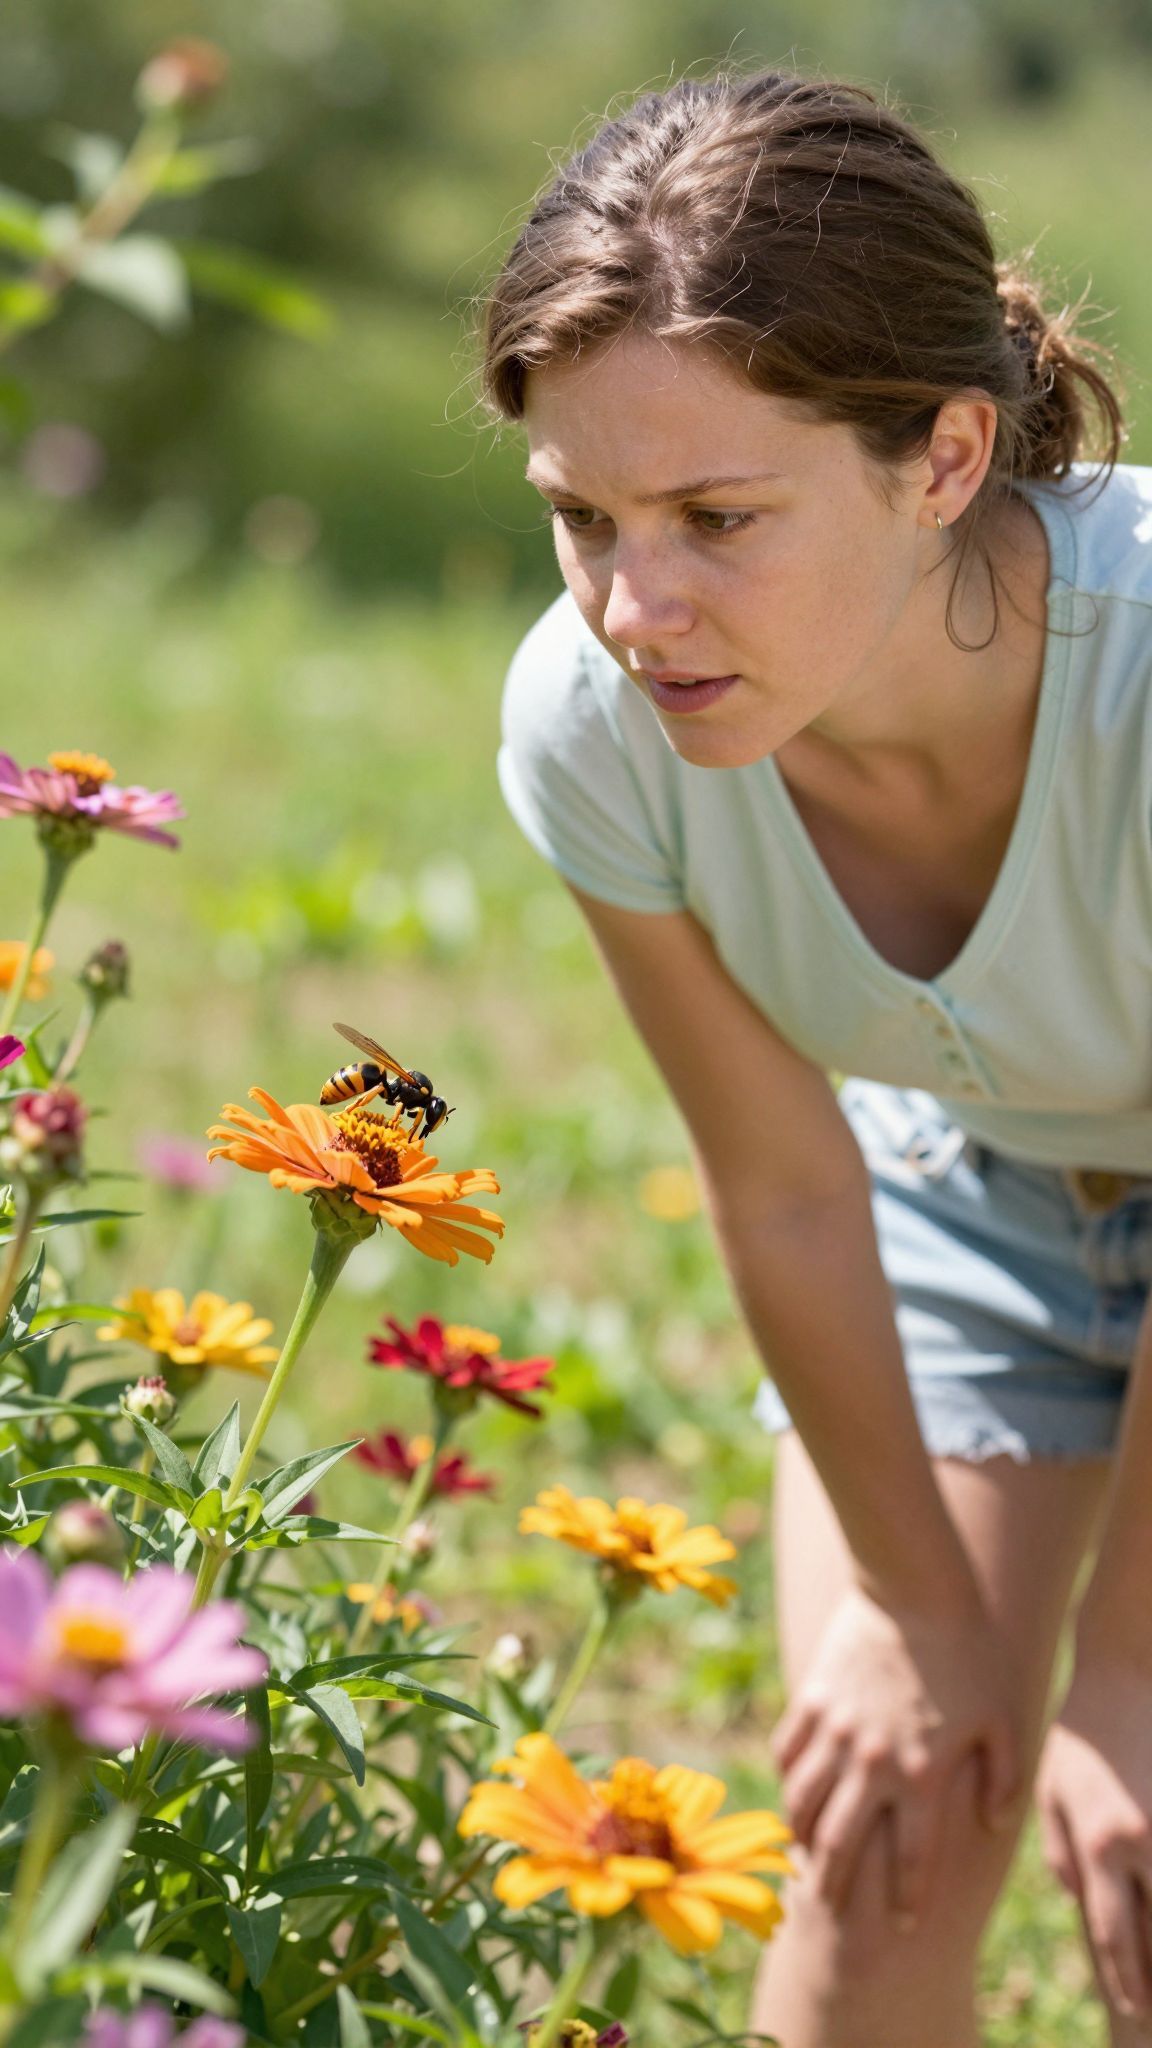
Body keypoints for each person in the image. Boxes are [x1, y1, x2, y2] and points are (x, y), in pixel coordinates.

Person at [482, 64, 1152, 2048]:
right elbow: (783, 1187)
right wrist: (918, 1606)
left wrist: (1126, 1667)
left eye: (716, 517)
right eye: (580, 520)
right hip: (979, 1195)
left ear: (946, 455)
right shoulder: (591, 733)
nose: (633, 606)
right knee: (881, 1865)